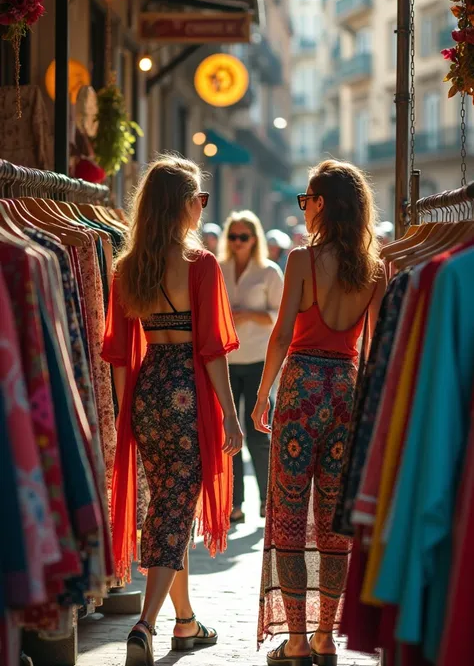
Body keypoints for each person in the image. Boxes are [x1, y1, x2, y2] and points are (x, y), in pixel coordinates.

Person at [101, 156, 243, 666]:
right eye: (198, 199)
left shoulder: (127, 267)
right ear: (182, 204)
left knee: (168, 506)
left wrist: (126, 414)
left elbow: (119, 353)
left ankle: (186, 622)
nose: (201, 208)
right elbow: (211, 349)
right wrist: (228, 412)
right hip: (188, 390)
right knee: (174, 509)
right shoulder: (199, 264)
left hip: (147, 391)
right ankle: (146, 624)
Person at [252, 160, 386, 666]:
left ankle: (296, 640)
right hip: (346, 392)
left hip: (302, 388)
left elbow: (283, 334)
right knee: (334, 520)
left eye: (307, 200)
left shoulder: (302, 261)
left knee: (287, 515)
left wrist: (264, 392)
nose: (304, 210)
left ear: (323, 203)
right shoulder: (372, 268)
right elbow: (373, 347)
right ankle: (328, 636)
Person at [219, 211, 284, 523]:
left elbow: (280, 316)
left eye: (243, 237)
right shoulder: (219, 269)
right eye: (233, 237)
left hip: (258, 357)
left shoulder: (269, 271)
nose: (237, 243)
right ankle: (235, 503)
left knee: (258, 431)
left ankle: (266, 501)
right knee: (231, 432)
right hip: (227, 360)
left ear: (254, 238)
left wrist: (247, 314)